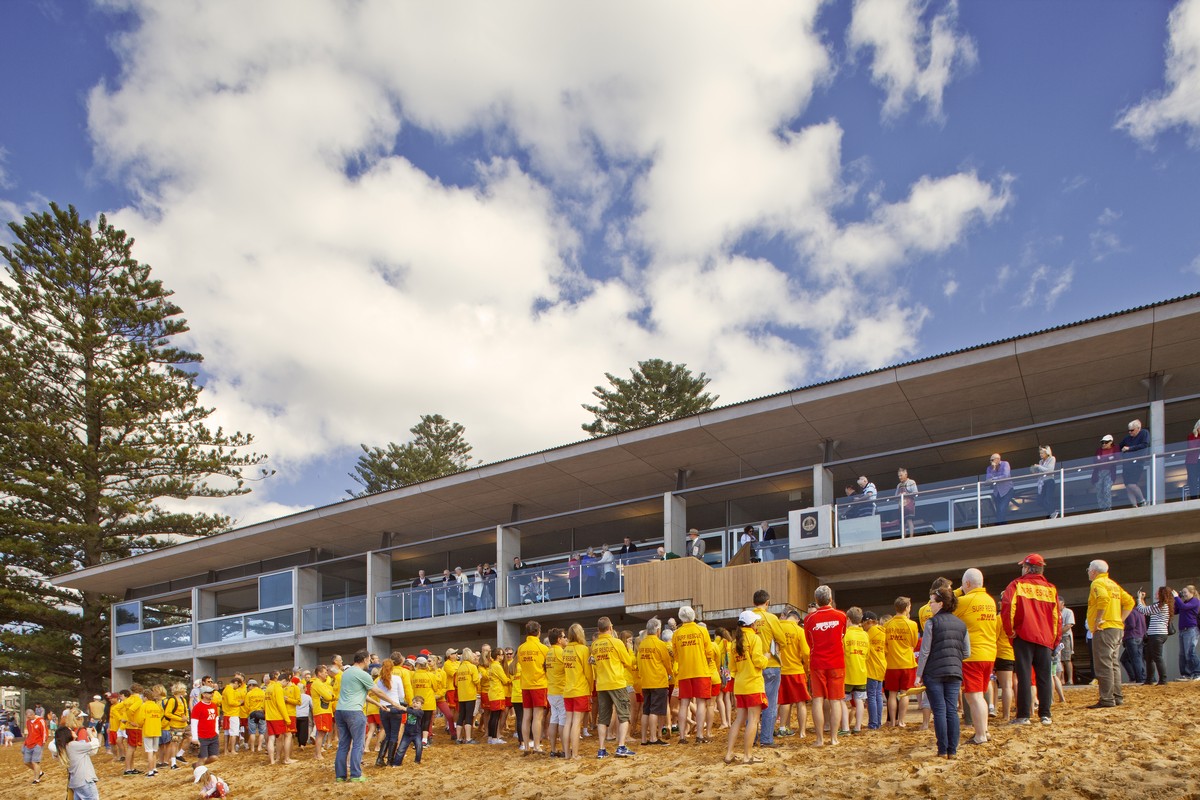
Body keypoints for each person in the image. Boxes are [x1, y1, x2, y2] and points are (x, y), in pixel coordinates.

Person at [1000, 554, 1060, 724]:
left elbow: (1007, 608)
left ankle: (1024, 715)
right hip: (1045, 638)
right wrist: (1055, 639)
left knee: (1024, 676)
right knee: (1044, 676)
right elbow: (1057, 617)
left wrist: (1010, 631)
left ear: (1027, 568)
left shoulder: (1017, 585)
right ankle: (1045, 714)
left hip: (1024, 636)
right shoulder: (1051, 588)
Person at [915, 586, 970, 759]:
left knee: (939, 710)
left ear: (940, 604)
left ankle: (942, 749)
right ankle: (952, 750)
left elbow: (925, 651)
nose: (930, 605)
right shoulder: (961, 624)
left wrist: (918, 675)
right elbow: (967, 652)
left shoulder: (932, 623)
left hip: (934, 672)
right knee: (951, 710)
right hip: (954, 670)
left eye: (932, 602)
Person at [954, 568, 997, 745]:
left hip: (973, 655)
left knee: (974, 697)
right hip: (989, 653)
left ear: (967, 584)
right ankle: (984, 730)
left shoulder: (965, 601)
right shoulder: (990, 600)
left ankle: (980, 734)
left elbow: (942, 603)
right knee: (980, 694)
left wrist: (958, 590)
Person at [1086, 559, 1134, 709]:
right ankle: (1116, 696)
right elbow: (1130, 602)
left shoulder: (1097, 583)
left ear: (1093, 571)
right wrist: (1121, 619)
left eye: (1088, 569)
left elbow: (1103, 599)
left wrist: (1098, 619)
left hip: (1104, 628)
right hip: (1116, 628)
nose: (1088, 572)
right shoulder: (1113, 584)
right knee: (1113, 664)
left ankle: (1106, 699)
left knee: (1103, 665)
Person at [804, 584, 848, 746]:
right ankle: (834, 738)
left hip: (817, 662)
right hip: (836, 661)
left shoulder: (809, 619)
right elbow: (843, 636)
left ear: (816, 601)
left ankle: (820, 739)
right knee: (835, 700)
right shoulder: (841, 616)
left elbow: (809, 642)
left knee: (818, 699)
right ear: (830, 599)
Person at [724, 610, 767, 765]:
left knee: (739, 719)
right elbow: (758, 661)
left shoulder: (734, 642)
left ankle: (729, 753)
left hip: (740, 685)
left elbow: (732, 667)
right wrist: (766, 659)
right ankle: (747, 755)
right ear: (751, 624)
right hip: (753, 683)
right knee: (753, 720)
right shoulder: (754, 638)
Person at [591, 615, 636, 757]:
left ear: (599, 630)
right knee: (623, 714)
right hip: (616, 682)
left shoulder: (594, 645)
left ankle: (602, 749)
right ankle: (621, 746)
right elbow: (628, 662)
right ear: (610, 628)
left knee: (603, 717)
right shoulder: (616, 643)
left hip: (602, 684)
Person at [750, 589, 789, 748]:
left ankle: (751, 737)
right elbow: (782, 640)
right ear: (768, 602)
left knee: (752, 705)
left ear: (754, 603)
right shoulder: (771, 618)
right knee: (770, 704)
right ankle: (766, 739)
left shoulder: (746, 617)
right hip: (771, 664)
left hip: (751, 666)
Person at [637, 617, 673, 746]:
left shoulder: (642, 644)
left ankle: (643, 739)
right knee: (655, 711)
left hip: (646, 681)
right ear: (658, 630)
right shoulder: (660, 644)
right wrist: (670, 674)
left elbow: (639, 664)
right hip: (658, 681)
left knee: (646, 710)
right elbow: (667, 663)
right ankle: (653, 738)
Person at [883, 596, 919, 727]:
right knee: (904, 693)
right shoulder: (912, 624)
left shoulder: (887, 625)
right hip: (907, 663)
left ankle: (892, 721)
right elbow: (914, 643)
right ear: (907, 608)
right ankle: (902, 721)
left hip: (891, 664)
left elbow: (885, 644)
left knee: (892, 694)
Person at [776, 608, 811, 738]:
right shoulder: (799, 630)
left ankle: (783, 728)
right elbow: (806, 653)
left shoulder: (778, 627)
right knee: (801, 702)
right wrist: (806, 667)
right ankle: (802, 732)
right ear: (797, 619)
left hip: (781, 670)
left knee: (785, 701)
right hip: (796, 669)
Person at [517, 620, 550, 754]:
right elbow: (547, 667)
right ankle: (536, 745)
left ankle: (526, 746)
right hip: (539, 684)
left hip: (525, 685)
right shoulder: (543, 648)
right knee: (537, 717)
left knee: (526, 716)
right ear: (538, 632)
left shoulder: (521, 648)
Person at [562, 623, 594, 760]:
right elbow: (588, 673)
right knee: (576, 723)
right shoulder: (583, 649)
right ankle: (575, 754)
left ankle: (567, 753)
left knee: (568, 722)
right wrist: (591, 689)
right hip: (580, 689)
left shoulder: (565, 650)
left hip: (568, 690)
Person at [1137, 587, 1174, 686]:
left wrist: (1138, 598)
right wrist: (1142, 600)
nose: (1156, 593)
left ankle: (1163, 680)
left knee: (1157, 657)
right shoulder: (1163, 606)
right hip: (1158, 634)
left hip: (1156, 634)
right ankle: (1149, 680)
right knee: (1149, 657)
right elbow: (1147, 611)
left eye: (1158, 592)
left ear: (1162, 594)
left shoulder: (1160, 606)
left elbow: (1142, 610)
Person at [842, 607, 869, 734]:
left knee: (842, 700)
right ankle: (857, 726)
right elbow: (867, 654)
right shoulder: (865, 635)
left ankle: (845, 727)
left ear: (848, 619)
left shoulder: (846, 635)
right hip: (861, 672)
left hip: (848, 673)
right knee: (859, 701)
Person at [57, 720, 100, 799]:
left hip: (76, 782)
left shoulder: (66, 747)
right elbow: (95, 744)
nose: (73, 731)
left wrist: (93, 736)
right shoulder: (73, 745)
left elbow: (92, 751)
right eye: (71, 731)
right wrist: (91, 735)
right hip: (85, 781)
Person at [374, 659, 405, 765]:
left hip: (383, 708)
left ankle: (380, 758)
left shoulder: (379, 680)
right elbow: (402, 695)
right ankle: (390, 760)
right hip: (395, 707)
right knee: (394, 735)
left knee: (388, 734)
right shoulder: (396, 678)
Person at [863, 611, 886, 730]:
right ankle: (878, 722)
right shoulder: (883, 631)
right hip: (881, 665)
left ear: (869, 622)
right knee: (878, 695)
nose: (863, 627)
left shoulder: (869, 633)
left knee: (871, 695)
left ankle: (873, 723)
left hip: (872, 667)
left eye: (864, 624)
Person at [1120, 419, 1150, 507]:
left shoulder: (1144, 433)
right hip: (1126, 464)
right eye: (1128, 430)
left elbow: (1145, 445)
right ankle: (1134, 505)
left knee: (1132, 484)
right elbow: (1119, 447)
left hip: (1137, 463)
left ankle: (1142, 501)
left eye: (1132, 430)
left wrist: (1129, 448)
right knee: (1128, 487)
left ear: (1138, 428)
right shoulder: (1127, 438)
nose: (1130, 432)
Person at [1173, 585, 1200, 680]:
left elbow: (1183, 607)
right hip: (1182, 630)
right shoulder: (1184, 602)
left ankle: (1197, 673)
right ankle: (1186, 674)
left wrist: (1176, 597)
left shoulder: (1195, 601)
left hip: (1191, 630)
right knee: (1182, 654)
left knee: (1190, 652)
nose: (1183, 594)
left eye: (1185, 592)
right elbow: (1176, 610)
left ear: (1191, 593)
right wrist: (1178, 598)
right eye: (1182, 593)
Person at [189, 686, 221, 766]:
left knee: (214, 757)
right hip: (202, 737)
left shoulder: (214, 705)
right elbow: (194, 723)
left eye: (212, 692)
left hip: (213, 736)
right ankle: (199, 772)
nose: (212, 694)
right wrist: (195, 737)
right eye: (209, 693)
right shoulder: (198, 707)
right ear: (203, 694)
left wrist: (217, 731)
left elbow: (216, 719)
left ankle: (197, 765)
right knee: (203, 757)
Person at [1121, 601, 1148, 684]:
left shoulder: (1130, 612)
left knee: (1134, 659)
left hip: (1132, 637)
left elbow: (1131, 625)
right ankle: (1140, 677)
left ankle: (1139, 678)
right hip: (1139, 637)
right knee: (1137, 658)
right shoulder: (1140, 612)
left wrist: (1122, 626)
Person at [395, 695, 425, 765]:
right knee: (401, 749)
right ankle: (396, 763)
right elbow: (400, 711)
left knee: (419, 748)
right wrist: (390, 710)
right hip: (407, 733)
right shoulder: (409, 709)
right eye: (414, 702)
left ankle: (417, 761)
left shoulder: (421, 712)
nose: (415, 704)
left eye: (417, 703)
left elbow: (414, 712)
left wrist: (404, 708)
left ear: (421, 705)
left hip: (416, 733)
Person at [1031, 445, 1059, 518]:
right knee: (1039, 501)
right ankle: (1052, 512)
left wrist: (1038, 466)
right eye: (1040, 453)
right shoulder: (1040, 461)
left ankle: (1053, 513)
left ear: (1047, 453)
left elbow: (1049, 470)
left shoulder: (1052, 458)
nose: (1040, 455)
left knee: (1048, 499)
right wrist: (1035, 471)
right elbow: (1041, 473)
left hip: (1049, 481)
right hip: (1042, 483)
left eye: (1042, 453)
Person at [1093, 434, 1119, 511]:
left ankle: (1108, 507)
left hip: (1109, 472)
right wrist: (1109, 458)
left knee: (1106, 489)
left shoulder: (1115, 448)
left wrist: (1103, 459)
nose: (1104, 444)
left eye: (1106, 442)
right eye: (1102, 442)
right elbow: (1096, 460)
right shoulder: (1099, 450)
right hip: (1099, 472)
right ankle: (1102, 508)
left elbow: (1117, 458)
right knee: (1099, 490)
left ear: (1111, 442)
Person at [986, 454, 1013, 524]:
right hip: (996, 492)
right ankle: (1001, 524)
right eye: (990, 460)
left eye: (992, 460)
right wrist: (993, 469)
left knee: (1002, 508)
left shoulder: (1005, 464)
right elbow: (988, 480)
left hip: (1007, 490)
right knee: (998, 510)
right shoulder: (989, 468)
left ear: (997, 459)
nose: (990, 462)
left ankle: (1001, 525)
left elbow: (1006, 476)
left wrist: (994, 478)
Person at [23, 708, 47, 784]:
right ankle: (39, 772)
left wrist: (42, 742)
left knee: (35, 762)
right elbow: (29, 733)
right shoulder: (28, 722)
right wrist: (26, 742)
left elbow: (44, 732)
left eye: (29, 717)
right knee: (26, 762)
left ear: (33, 715)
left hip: (37, 743)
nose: (28, 719)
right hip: (29, 743)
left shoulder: (40, 721)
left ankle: (36, 779)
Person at [1058, 596, 1075, 685]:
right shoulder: (1055, 612)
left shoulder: (1068, 612)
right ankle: (1061, 679)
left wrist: (1058, 633)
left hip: (1065, 637)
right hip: (1057, 638)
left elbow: (1069, 625)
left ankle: (1070, 679)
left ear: (1063, 604)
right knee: (1058, 659)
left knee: (1067, 659)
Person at [895, 467, 918, 537]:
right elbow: (895, 497)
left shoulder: (911, 482)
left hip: (909, 505)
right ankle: (903, 536)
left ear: (906, 474)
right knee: (902, 522)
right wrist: (898, 496)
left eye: (901, 475)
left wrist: (906, 494)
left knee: (909, 520)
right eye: (899, 476)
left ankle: (911, 536)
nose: (900, 477)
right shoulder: (898, 485)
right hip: (901, 506)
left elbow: (916, 493)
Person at [1187, 419, 1200, 500]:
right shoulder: (1192, 436)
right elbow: (1192, 448)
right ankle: (1194, 498)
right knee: (1192, 481)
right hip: (1192, 461)